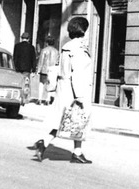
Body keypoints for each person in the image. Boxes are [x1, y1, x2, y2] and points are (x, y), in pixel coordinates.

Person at [33, 17, 94, 164]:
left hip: (64, 88)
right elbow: (78, 73)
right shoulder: (78, 49)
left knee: (67, 120)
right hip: (74, 91)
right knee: (77, 119)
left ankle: (46, 144)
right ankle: (76, 152)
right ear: (83, 30)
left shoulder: (67, 47)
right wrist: (79, 97)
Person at [13, 33, 37, 101]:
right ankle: (24, 98)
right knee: (26, 84)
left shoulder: (17, 46)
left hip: (18, 68)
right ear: (28, 39)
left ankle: (17, 97)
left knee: (18, 83)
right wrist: (34, 69)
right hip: (27, 69)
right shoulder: (31, 47)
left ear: (21, 38)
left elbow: (15, 58)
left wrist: (14, 67)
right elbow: (33, 59)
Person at [37, 36, 60, 105]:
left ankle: (39, 99)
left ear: (47, 42)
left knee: (41, 84)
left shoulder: (44, 50)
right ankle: (47, 99)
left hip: (44, 69)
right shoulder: (56, 51)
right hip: (52, 70)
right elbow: (57, 62)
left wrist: (38, 69)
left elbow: (41, 61)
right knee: (50, 84)